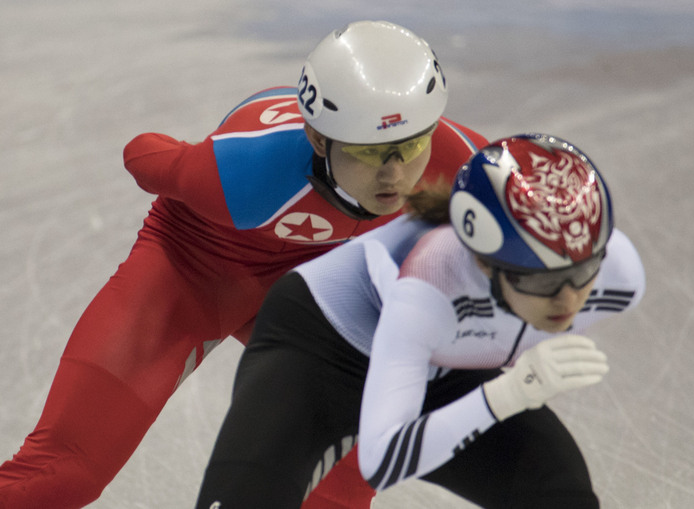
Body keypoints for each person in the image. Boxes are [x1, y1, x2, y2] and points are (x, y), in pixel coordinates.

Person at [0, 21, 488, 509]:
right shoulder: (243, 177)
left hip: (314, 282)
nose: (395, 173)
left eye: (413, 144)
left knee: (339, 486)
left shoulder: (464, 166)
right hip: (195, 270)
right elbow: (143, 152)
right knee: (63, 475)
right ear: (319, 139)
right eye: (369, 151)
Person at [195, 134, 646, 508]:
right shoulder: (428, 286)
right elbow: (384, 460)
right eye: (538, 281)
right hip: (317, 352)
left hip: (442, 362)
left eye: (582, 272)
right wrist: (510, 393)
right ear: (485, 265)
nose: (567, 299)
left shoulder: (619, 277)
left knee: (560, 497)